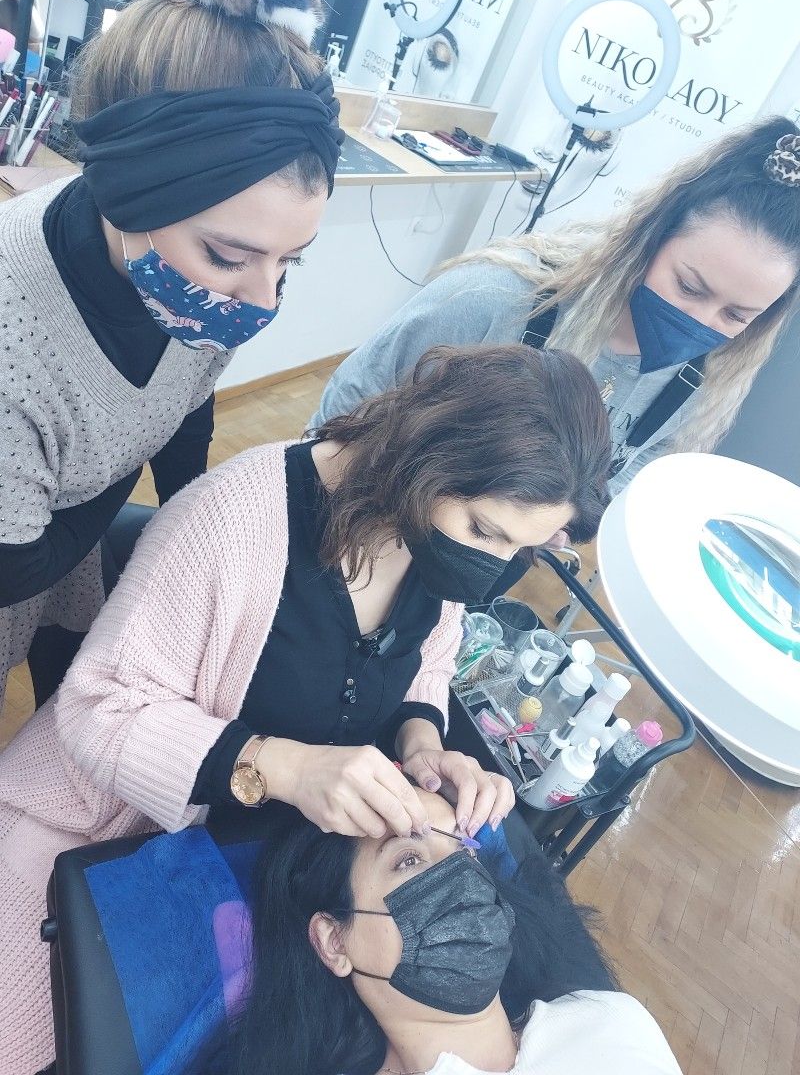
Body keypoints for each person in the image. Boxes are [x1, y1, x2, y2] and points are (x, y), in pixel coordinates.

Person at [0, 342, 611, 1072]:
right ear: (427, 458)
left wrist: (422, 744)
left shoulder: (432, 541)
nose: (493, 568)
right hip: (104, 833)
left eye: (522, 550)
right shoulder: (237, 519)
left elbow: (425, 663)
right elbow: (96, 708)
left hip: (261, 866)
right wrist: (280, 767)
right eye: (486, 532)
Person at [0, 0, 344, 710]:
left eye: (291, 262)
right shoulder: (15, 345)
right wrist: (135, 499)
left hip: (65, 546)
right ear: (125, 192)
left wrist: (191, 506)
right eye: (230, 256)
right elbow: (15, 566)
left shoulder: (188, 285)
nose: (262, 301)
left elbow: (186, 396)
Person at [311, 119, 800, 497]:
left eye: (736, 316)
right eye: (689, 287)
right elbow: (348, 407)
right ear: (650, 238)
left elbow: (640, 469)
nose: (699, 324)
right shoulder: (494, 298)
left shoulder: (702, 383)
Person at [223, 791, 682, 1075]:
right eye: (408, 859)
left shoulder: (610, 1019)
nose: (462, 877)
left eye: (465, 848)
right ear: (334, 942)